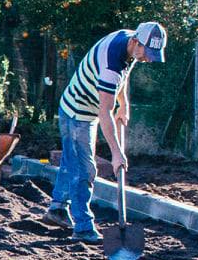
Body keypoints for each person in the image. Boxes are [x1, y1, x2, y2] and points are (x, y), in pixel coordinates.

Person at [50, 20, 167, 244]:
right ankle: (83, 227)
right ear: (136, 42)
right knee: (84, 170)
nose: (147, 59)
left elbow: (124, 76)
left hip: (78, 108)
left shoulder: (128, 43)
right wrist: (116, 154)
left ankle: (57, 208)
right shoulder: (111, 65)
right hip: (78, 113)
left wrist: (124, 104)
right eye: (147, 53)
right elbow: (105, 113)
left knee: (70, 160)